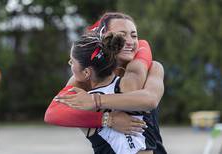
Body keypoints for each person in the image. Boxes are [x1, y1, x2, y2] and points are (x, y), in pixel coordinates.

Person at [45, 12, 166, 154]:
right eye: (122, 35)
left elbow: (150, 99)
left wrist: (95, 100)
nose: (130, 41)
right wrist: (107, 119)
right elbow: (53, 112)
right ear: (105, 38)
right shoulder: (85, 78)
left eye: (134, 36)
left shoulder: (152, 68)